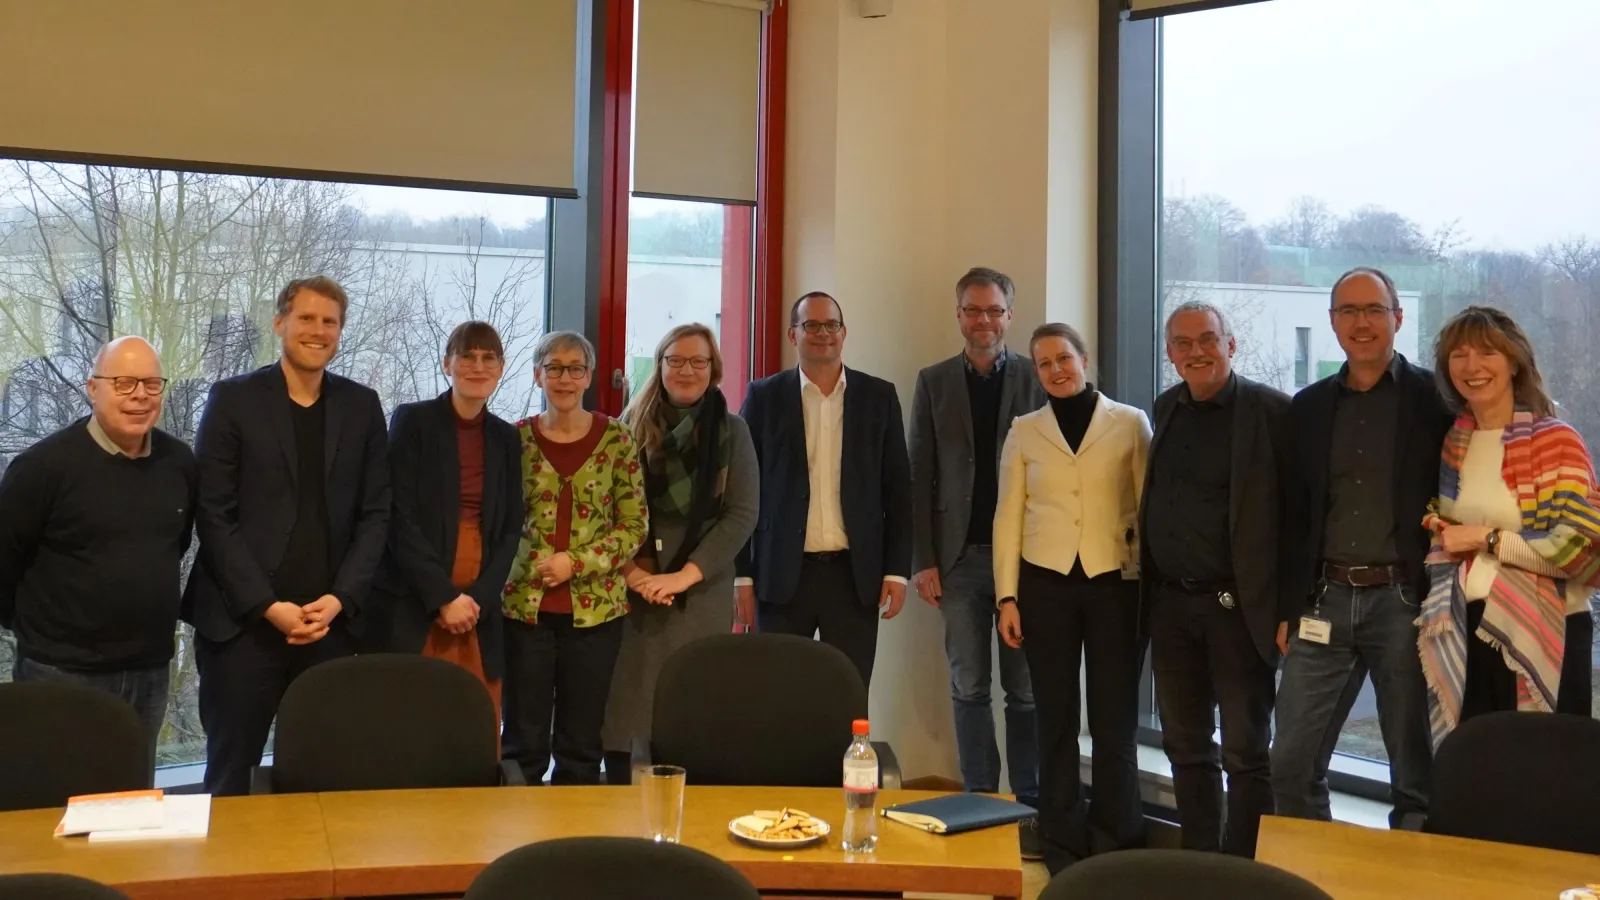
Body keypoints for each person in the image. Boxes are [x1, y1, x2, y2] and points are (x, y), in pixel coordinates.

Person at [185, 275, 391, 796]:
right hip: (242, 627)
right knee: (231, 777)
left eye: (330, 322)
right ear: (280, 323)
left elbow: (376, 514)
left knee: (322, 780)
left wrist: (341, 598)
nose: (318, 331)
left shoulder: (362, 406)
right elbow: (213, 514)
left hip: (329, 628)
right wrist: (266, 605)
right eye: (306, 318)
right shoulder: (233, 400)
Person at [1272, 266, 1453, 827]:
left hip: (1404, 605)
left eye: (1374, 309)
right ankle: (1314, 882)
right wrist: (1286, 608)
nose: (1361, 322)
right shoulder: (1307, 407)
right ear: (1332, 323)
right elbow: (1293, 514)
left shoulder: (1436, 401)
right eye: (1348, 311)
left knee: (1415, 776)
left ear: (1397, 318)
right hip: (1322, 601)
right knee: (1291, 765)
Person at [995, 322, 1151, 873]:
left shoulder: (1130, 424)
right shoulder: (1025, 430)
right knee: (1055, 719)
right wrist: (1006, 597)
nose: (1056, 370)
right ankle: (1062, 844)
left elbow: (1148, 510)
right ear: (1036, 372)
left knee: (1114, 723)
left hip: (1116, 585)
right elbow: (1008, 517)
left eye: (1064, 357)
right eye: (1044, 363)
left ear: (1085, 360)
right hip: (1045, 586)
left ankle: (1117, 843)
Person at [0, 337, 196, 774]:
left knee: (132, 799)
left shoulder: (179, 463)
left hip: (149, 670)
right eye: (124, 383)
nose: (140, 395)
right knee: (56, 804)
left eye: (151, 383)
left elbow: (171, 546)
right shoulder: (42, 468)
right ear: (93, 388)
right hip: (61, 673)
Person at [1140, 303, 1289, 857]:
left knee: (1247, 752)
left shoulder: (1272, 413)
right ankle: (1200, 867)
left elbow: (1294, 519)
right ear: (1170, 353)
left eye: (1208, 339)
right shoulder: (1166, 407)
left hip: (1239, 608)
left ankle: (1244, 871)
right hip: (1172, 607)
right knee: (1185, 746)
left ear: (1231, 345)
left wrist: (1287, 610)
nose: (1196, 351)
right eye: (1182, 343)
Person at [908, 267, 1045, 858]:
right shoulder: (933, 381)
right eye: (973, 310)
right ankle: (980, 800)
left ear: (1010, 316)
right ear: (958, 313)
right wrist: (924, 559)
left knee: (1026, 691)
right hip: (959, 557)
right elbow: (919, 475)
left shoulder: (1038, 376)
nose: (983, 320)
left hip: (1026, 559)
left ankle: (1031, 807)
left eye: (994, 310)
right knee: (968, 687)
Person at [1419, 306, 1599, 739]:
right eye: (1458, 355)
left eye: (1487, 353)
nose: (1472, 366)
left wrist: (1487, 538)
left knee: (1546, 768)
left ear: (1514, 361)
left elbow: (1581, 551)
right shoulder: (1456, 442)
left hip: (1550, 628)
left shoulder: (1556, 439)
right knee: (1481, 764)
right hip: (1471, 625)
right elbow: (1451, 535)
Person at [602, 324, 759, 783]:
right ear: (660, 365)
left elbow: (741, 516)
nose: (686, 370)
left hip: (700, 588)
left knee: (691, 708)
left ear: (714, 370)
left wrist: (683, 576)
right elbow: (605, 507)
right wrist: (633, 573)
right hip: (632, 582)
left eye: (698, 361)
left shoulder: (734, 432)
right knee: (626, 707)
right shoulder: (626, 427)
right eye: (676, 360)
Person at [736, 292, 912, 687]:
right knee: (777, 694)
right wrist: (741, 578)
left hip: (854, 578)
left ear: (844, 333)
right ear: (792, 335)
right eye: (810, 325)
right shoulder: (763, 397)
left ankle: (847, 754)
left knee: (848, 694)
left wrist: (898, 572)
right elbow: (740, 493)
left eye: (830, 325)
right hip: (779, 579)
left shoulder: (878, 398)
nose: (822, 333)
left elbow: (899, 491)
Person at [501, 331, 647, 785]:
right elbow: (500, 521)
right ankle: (517, 843)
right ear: (536, 374)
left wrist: (575, 562)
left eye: (575, 368)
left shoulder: (617, 440)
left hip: (596, 612)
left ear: (589, 376)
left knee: (581, 741)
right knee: (523, 739)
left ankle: (573, 844)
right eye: (554, 367)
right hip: (525, 610)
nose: (565, 378)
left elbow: (633, 525)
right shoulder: (515, 441)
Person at [376, 322, 523, 724]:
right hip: (418, 599)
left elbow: (512, 526)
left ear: (501, 367)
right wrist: (443, 598)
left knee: (475, 722)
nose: (478, 366)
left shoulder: (507, 438)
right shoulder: (413, 421)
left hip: (480, 607)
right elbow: (397, 515)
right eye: (467, 356)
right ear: (447, 364)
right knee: (412, 721)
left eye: (488, 358)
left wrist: (477, 601)